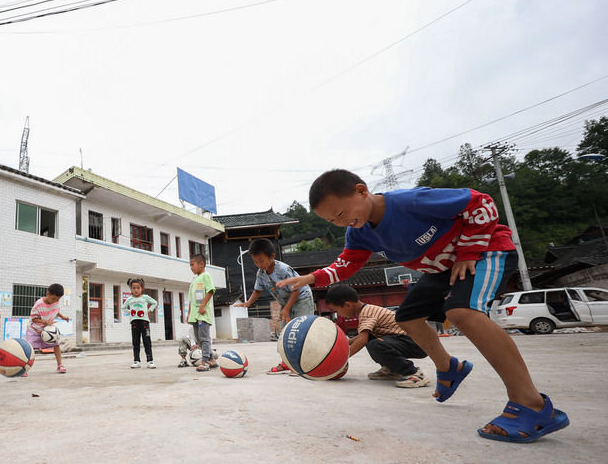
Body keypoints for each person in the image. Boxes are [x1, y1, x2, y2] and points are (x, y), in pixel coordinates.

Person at [277, 169, 569, 442]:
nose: (340, 222)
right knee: (408, 317)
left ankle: (531, 404)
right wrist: (312, 277)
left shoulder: (410, 201)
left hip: (486, 251)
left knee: (462, 312)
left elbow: (481, 203)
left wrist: (469, 250)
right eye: (333, 221)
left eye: (341, 213)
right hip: (444, 268)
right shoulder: (359, 233)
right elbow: (347, 264)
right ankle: (449, 367)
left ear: (361, 191)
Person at [233, 238, 315, 375]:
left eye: (262, 260)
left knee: (301, 330)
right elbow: (258, 290)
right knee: (285, 333)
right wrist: (249, 303)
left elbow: (296, 290)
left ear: (271, 256)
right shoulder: (261, 274)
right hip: (286, 303)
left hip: (301, 298)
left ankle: (304, 363)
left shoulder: (283, 270)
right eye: (255, 262)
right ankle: (287, 363)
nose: (259, 264)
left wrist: (287, 309)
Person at [324, 284, 429, 387]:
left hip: (416, 343)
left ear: (347, 305)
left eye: (337, 310)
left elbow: (362, 340)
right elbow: (361, 337)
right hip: (407, 340)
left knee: (375, 345)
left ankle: (413, 373)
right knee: (371, 338)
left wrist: (340, 361)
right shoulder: (367, 310)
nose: (339, 314)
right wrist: (342, 344)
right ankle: (392, 369)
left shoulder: (366, 313)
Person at [26, 283, 71, 374]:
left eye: (57, 299)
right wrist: (46, 322)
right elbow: (34, 319)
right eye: (53, 299)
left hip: (48, 330)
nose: (55, 301)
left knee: (56, 345)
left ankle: (60, 365)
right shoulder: (39, 304)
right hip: (34, 330)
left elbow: (56, 310)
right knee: (29, 349)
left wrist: (63, 317)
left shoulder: (56, 302)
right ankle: (24, 368)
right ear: (48, 294)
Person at [188, 254, 217, 372]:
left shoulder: (206, 276)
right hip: (195, 315)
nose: (191, 267)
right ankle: (212, 360)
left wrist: (203, 305)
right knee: (199, 339)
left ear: (201, 264)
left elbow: (210, 291)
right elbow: (191, 299)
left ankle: (205, 362)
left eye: (192, 264)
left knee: (204, 338)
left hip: (203, 314)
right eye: (190, 265)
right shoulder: (194, 280)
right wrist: (189, 313)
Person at [121, 278, 159, 369]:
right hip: (134, 322)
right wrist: (130, 312)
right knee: (135, 342)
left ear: (142, 288)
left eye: (138, 288)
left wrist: (150, 310)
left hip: (145, 322)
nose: (136, 290)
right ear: (131, 289)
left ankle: (150, 361)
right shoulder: (130, 299)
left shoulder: (145, 297)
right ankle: (136, 361)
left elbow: (155, 302)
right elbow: (123, 307)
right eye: (133, 288)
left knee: (147, 341)